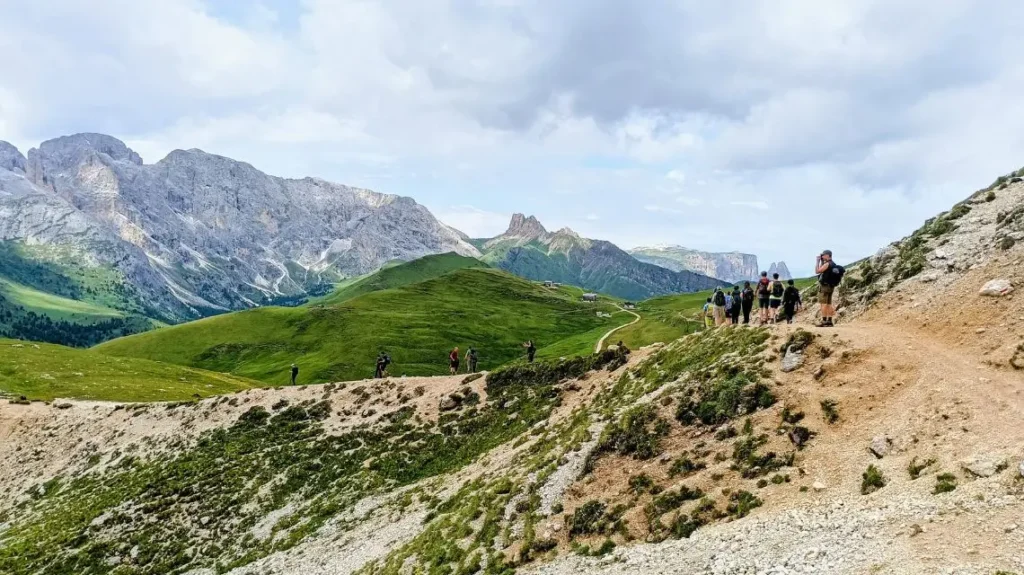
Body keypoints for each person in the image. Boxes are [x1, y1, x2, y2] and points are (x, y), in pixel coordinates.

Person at [815, 250, 844, 327]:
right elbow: (824, 271)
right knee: (828, 303)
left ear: (828, 255)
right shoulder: (833, 264)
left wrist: (817, 261)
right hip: (831, 286)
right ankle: (829, 321)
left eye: (823, 255)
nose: (822, 256)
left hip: (825, 286)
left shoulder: (827, 264)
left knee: (823, 303)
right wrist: (822, 261)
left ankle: (824, 321)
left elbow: (817, 271)